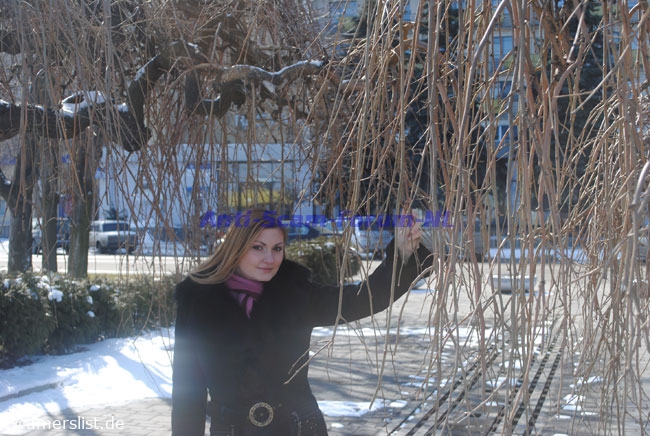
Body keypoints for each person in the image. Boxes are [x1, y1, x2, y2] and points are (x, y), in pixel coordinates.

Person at [172, 209, 431, 436]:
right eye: (258, 247)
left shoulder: (294, 293)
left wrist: (402, 254)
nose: (270, 258)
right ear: (236, 248)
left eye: (277, 248)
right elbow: (188, 388)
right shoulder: (198, 301)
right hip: (231, 429)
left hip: (297, 426)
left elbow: (362, 299)